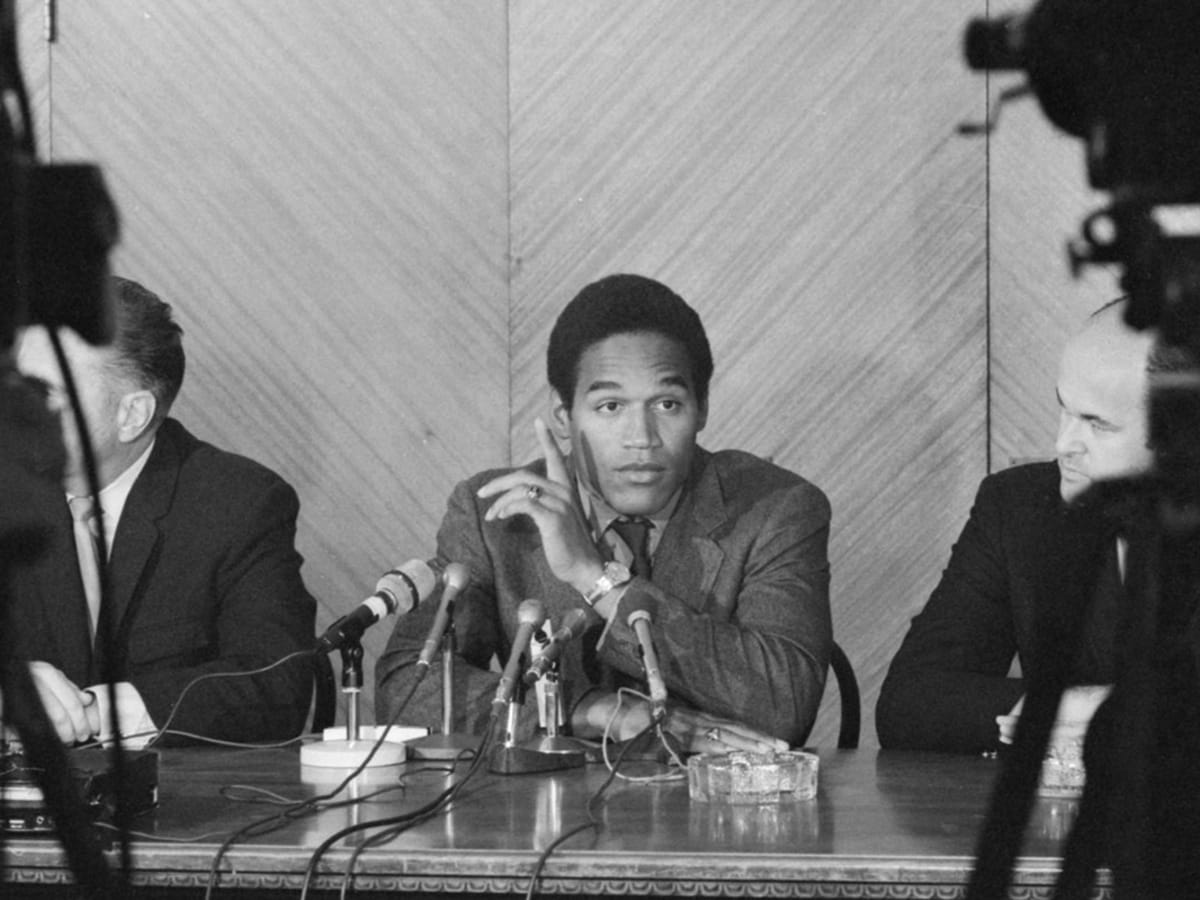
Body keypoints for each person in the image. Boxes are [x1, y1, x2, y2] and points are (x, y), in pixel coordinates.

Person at [376, 273, 832, 752]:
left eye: (668, 404)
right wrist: (591, 710)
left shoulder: (773, 509)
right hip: (539, 817)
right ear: (563, 415)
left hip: (711, 811)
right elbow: (404, 688)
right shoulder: (496, 513)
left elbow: (786, 705)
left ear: (702, 409)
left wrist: (597, 580)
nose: (642, 436)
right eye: (610, 406)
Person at [3, 276, 316, 746]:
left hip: (182, 810)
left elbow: (276, 687)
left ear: (132, 415)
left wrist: (93, 712)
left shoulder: (238, 503)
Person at [876, 298, 1163, 753]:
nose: (1063, 443)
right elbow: (909, 703)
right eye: (1064, 409)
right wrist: (1069, 707)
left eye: (1097, 424)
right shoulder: (1020, 506)